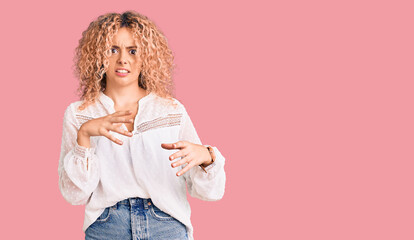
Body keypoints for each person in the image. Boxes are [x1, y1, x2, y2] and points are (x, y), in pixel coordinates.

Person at [58, 11, 226, 240]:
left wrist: (207, 157)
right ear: (98, 55)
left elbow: (209, 192)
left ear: (147, 56)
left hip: (166, 225)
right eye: (113, 49)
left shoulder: (170, 110)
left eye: (133, 51)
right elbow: (74, 195)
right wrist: (84, 136)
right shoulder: (79, 114)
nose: (123, 59)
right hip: (107, 227)